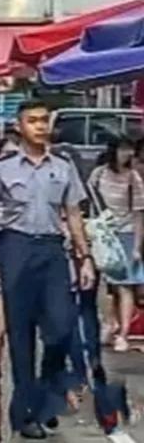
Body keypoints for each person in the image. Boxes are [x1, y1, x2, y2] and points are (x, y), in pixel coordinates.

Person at [0, 99, 94, 440]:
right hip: (16, 249)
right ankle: (26, 414)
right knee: (21, 338)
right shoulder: (2, 168)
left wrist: (84, 258)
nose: (40, 126)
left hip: (53, 251)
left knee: (61, 329)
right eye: (33, 121)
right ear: (19, 126)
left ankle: (46, 398)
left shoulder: (64, 166)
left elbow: (73, 215)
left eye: (44, 121)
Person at [88, 133, 144, 353]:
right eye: (122, 149)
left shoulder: (134, 178)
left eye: (129, 149)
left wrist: (138, 246)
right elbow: (86, 199)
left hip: (126, 235)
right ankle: (109, 322)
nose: (127, 154)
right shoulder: (99, 174)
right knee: (103, 284)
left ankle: (123, 334)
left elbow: (139, 214)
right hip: (101, 234)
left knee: (125, 285)